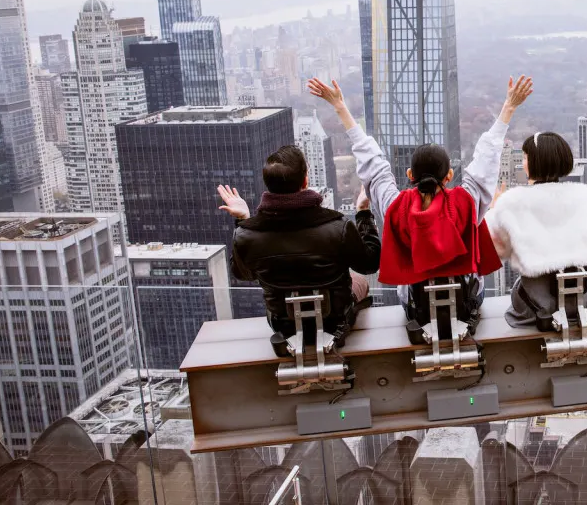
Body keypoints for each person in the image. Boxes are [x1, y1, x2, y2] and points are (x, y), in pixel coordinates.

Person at [308, 76, 531, 339]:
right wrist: (508, 107)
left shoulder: (395, 207)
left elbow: (373, 165)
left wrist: (340, 108)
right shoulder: (466, 203)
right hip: (465, 307)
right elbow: (487, 158)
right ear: (449, 176)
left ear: (410, 174)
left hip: (417, 311)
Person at [217, 145, 380, 355]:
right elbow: (369, 264)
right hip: (335, 321)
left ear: (268, 186)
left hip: (284, 326)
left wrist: (243, 221)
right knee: (359, 281)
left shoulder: (247, 234)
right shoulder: (337, 225)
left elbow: (242, 273)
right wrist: (363, 212)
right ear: (305, 181)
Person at [486, 131, 587, 329]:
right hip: (582, 302)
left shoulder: (513, 202)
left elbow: (495, 249)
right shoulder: (586, 199)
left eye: (525, 157)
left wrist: (494, 210)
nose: (522, 163)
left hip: (535, 307)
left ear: (536, 162)